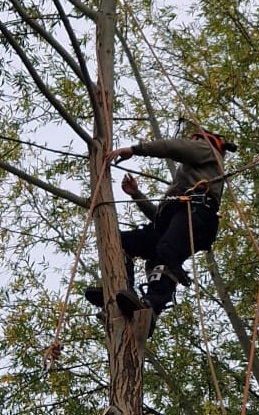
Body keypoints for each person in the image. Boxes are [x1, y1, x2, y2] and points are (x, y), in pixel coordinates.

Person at [84, 126, 234, 329]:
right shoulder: (189, 181)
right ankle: (119, 289)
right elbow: (161, 219)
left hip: (196, 215)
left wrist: (135, 150)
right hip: (178, 218)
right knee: (121, 241)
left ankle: (152, 307)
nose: (191, 142)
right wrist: (137, 195)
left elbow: (175, 148)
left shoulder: (207, 149)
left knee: (166, 253)